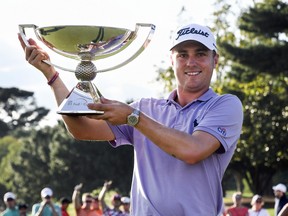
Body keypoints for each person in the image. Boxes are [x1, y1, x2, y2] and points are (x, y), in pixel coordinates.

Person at [18, 22, 243, 215]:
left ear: (216, 60)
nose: (191, 62)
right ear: (172, 61)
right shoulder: (145, 108)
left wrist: (133, 118)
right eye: (182, 55)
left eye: (201, 54)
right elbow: (82, 129)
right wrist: (51, 75)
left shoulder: (225, 105)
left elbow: (192, 150)